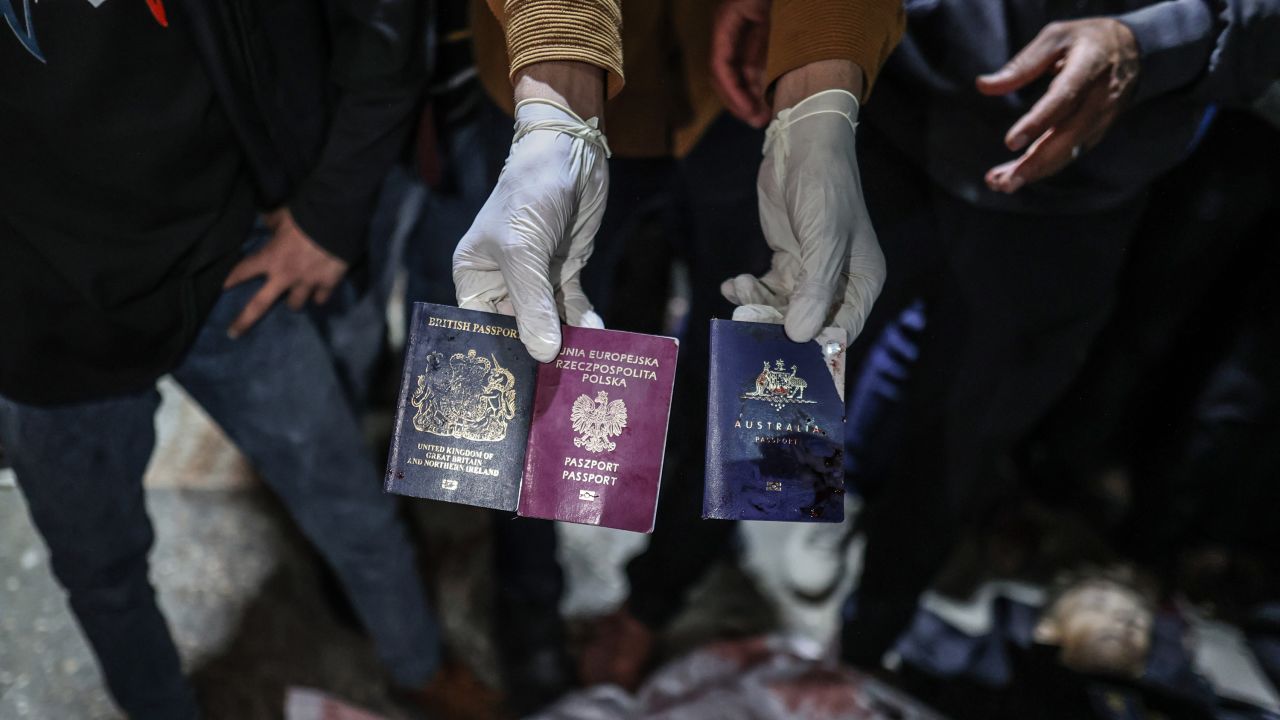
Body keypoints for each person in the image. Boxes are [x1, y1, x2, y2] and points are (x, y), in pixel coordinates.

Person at [713, 0, 1280, 668]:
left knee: (960, 439)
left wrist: (1149, 40)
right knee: (773, 368)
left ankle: (858, 649)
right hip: (886, 96)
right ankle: (715, 580)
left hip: (1067, 181)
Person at [0, 1, 494, 717]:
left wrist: (328, 211)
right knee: (101, 574)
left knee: (350, 502)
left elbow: (380, 26)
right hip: (39, 324)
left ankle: (420, 667)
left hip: (230, 267)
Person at [453, 0, 905, 700]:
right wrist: (558, 90)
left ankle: (656, 598)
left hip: (750, 84)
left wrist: (819, 89)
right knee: (532, 340)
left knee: (761, 355)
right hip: (542, 68)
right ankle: (527, 603)